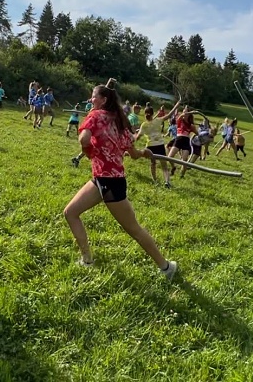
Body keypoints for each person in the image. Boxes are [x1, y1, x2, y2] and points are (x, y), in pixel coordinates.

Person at [63, 83, 177, 280]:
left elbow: (83, 139)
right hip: (102, 179)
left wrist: (88, 150)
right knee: (70, 212)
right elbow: (133, 154)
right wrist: (144, 153)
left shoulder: (95, 116)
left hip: (110, 183)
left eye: (94, 96)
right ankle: (87, 260)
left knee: (133, 229)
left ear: (103, 100)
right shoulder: (120, 122)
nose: (91, 100)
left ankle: (166, 267)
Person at [135, 101, 181, 187]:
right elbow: (169, 115)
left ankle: (154, 180)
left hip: (150, 147)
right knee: (164, 166)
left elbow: (137, 137)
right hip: (160, 145)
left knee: (153, 163)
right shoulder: (158, 120)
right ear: (153, 114)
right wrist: (176, 105)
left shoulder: (144, 125)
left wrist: (133, 136)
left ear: (145, 114)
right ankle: (167, 182)